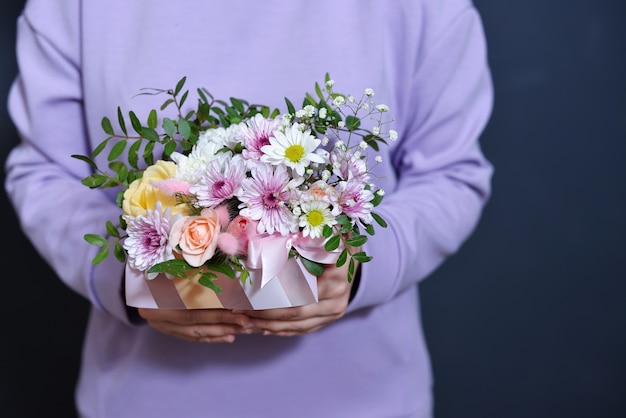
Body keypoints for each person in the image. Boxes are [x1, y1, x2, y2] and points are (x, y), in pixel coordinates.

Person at [4, 1, 494, 417]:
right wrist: (127, 278)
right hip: (144, 400)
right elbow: (45, 174)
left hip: (364, 400)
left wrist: (362, 268)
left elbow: (451, 173)